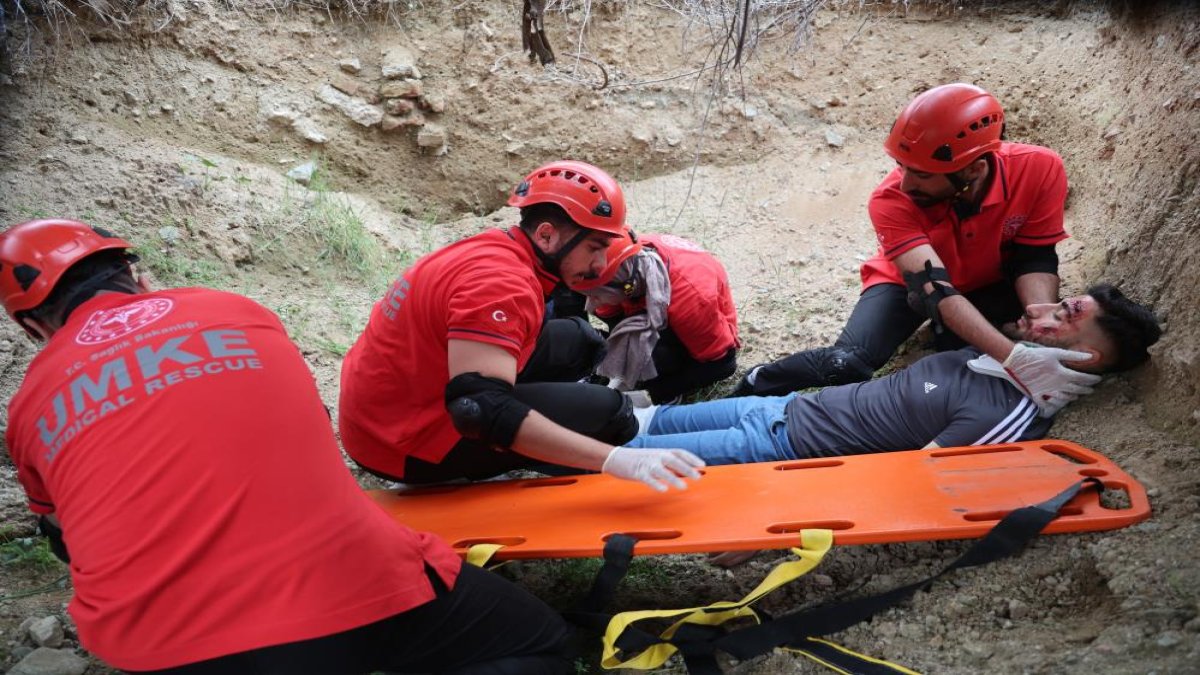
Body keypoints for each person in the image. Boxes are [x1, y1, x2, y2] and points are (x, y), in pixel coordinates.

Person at [1, 219, 579, 674]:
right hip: (350, 587)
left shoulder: (27, 410)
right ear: (137, 274)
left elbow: (66, 545)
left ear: (33, 330)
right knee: (541, 643)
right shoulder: (238, 313)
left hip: (162, 645)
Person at [733, 83, 1099, 417]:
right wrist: (1014, 356)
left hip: (989, 280)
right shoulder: (889, 199)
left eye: (922, 174)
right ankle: (759, 381)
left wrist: (1036, 322)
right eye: (902, 167)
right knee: (847, 363)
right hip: (906, 283)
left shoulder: (1040, 168)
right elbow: (935, 290)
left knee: (970, 362)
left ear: (973, 170)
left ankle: (948, 336)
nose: (905, 183)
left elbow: (1034, 256)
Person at [338, 160, 704, 491]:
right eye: (594, 247)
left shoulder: (498, 249)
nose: (598, 266)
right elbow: (478, 410)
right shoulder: (502, 285)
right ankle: (583, 448)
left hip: (393, 404)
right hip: (399, 443)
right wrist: (612, 458)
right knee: (607, 413)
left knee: (579, 340)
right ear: (546, 235)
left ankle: (554, 423)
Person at [625, 285, 1160, 465]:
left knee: (618, 460)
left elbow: (901, 489)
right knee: (637, 424)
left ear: (1085, 361)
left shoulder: (1006, 419)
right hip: (779, 410)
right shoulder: (992, 361)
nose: (1040, 310)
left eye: (1064, 315)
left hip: (774, 453)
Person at [572, 229, 740, 403]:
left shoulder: (689, 300)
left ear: (627, 287)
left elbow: (722, 365)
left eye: (596, 296)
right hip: (645, 302)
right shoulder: (619, 268)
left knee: (657, 357)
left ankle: (667, 380)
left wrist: (654, 393)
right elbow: (615, 319)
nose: (591, 304)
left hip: (694, 324)